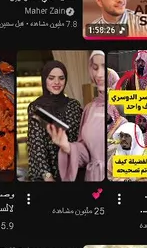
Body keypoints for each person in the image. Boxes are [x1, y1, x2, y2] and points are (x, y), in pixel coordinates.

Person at [50, 51, 118, 182]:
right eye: (95, 68)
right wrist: (67, 146)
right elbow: (85, 153)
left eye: (104, 67)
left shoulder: (123, 106)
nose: (98, 74)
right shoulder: (89, 108)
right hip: (92, 177)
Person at [25, 60, 85, 181]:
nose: (57, 82)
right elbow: (37, 145)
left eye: (61, 78)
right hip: (51, 174)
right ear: (44, 80)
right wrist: (47, 176)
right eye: (51, 78)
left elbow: (81, 138)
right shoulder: (37, 107)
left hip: (75, 170)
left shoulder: (74, 105)